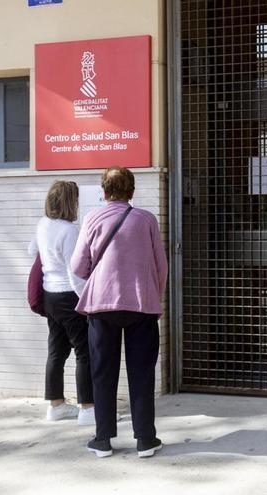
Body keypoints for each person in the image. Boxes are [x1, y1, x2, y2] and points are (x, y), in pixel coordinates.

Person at [71, 167, 168, 458]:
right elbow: (161, 266)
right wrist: (154, 295)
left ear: (103, 190)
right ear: (132, 190)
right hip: (141, 305)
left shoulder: (92, 218)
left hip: (102, 306)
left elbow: (77, 266)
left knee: (102, 372)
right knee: (142, 372)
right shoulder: (147, 219)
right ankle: (145, 439)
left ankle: (103, 440)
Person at [28, 180, 95, 425]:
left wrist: (48, 256)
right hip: (68, 296)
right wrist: (86, 299)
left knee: (57, 351)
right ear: (70, 202)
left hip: (50, 295)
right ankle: (88, 408)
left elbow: (30, 250)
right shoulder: (69, 230)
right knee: (84, 352)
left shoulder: (43, 224)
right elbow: (75, 272)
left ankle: (56, 406)